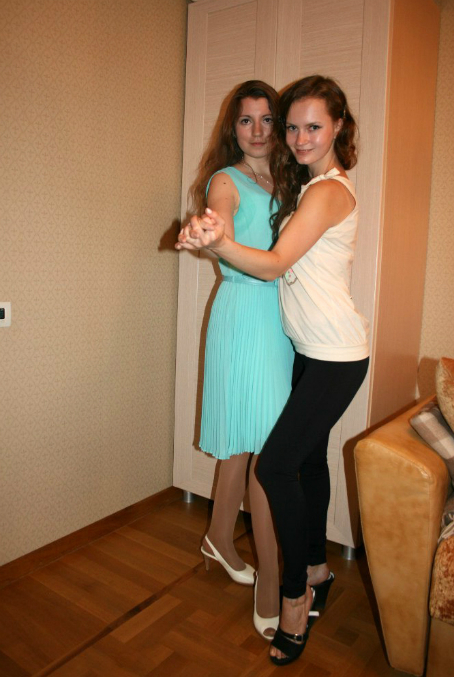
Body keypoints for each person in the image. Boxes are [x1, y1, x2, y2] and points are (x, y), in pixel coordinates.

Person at [176, 75, 370, 666]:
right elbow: (222, 209)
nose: (290, 135)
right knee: (302, 460)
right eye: (292, 126)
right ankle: (309, 567)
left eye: (310, 125)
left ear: (338, 127)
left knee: (275, 462)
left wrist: (216, 243)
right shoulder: (281, 182)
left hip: (327, 348)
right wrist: (211, 229)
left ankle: (289, 593)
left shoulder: (321, 189)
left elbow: (278, 261)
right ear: (233, 129)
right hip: (293, 340)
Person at [189, 80, 294, 639]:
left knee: (247, 443)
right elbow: (222, 221)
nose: (256, 130)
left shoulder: (285, 179)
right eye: (246, 120)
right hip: (243, 313)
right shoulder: (225, 181)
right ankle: (271, 581)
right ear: (233, 129)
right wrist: (213, 231)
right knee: (263, 449)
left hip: (277, 318)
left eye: (266, 119)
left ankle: (218, 538)